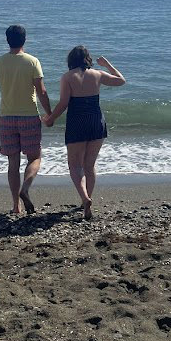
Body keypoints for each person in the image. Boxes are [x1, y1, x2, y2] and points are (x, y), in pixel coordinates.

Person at [44, 47, 125, 220]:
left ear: (71, 60)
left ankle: (85, 198)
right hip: (96, 121)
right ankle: (86, 199)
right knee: (89, 165)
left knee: (75, 166)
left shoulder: (67, 77)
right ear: (87, 59)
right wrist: (106, 64)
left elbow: (64, 103)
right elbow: (121, 80)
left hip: (77, 122)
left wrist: (50, 118)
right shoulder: (97, 74)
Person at [0, 24, 52, 215]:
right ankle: (26, 188)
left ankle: (16, 206)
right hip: (29, 117)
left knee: (12, 163)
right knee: (35, 157)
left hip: (6, 118)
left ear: (7, 40)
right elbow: (42, 91)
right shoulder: (32, 62)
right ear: (25, 40)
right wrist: (50, 113)